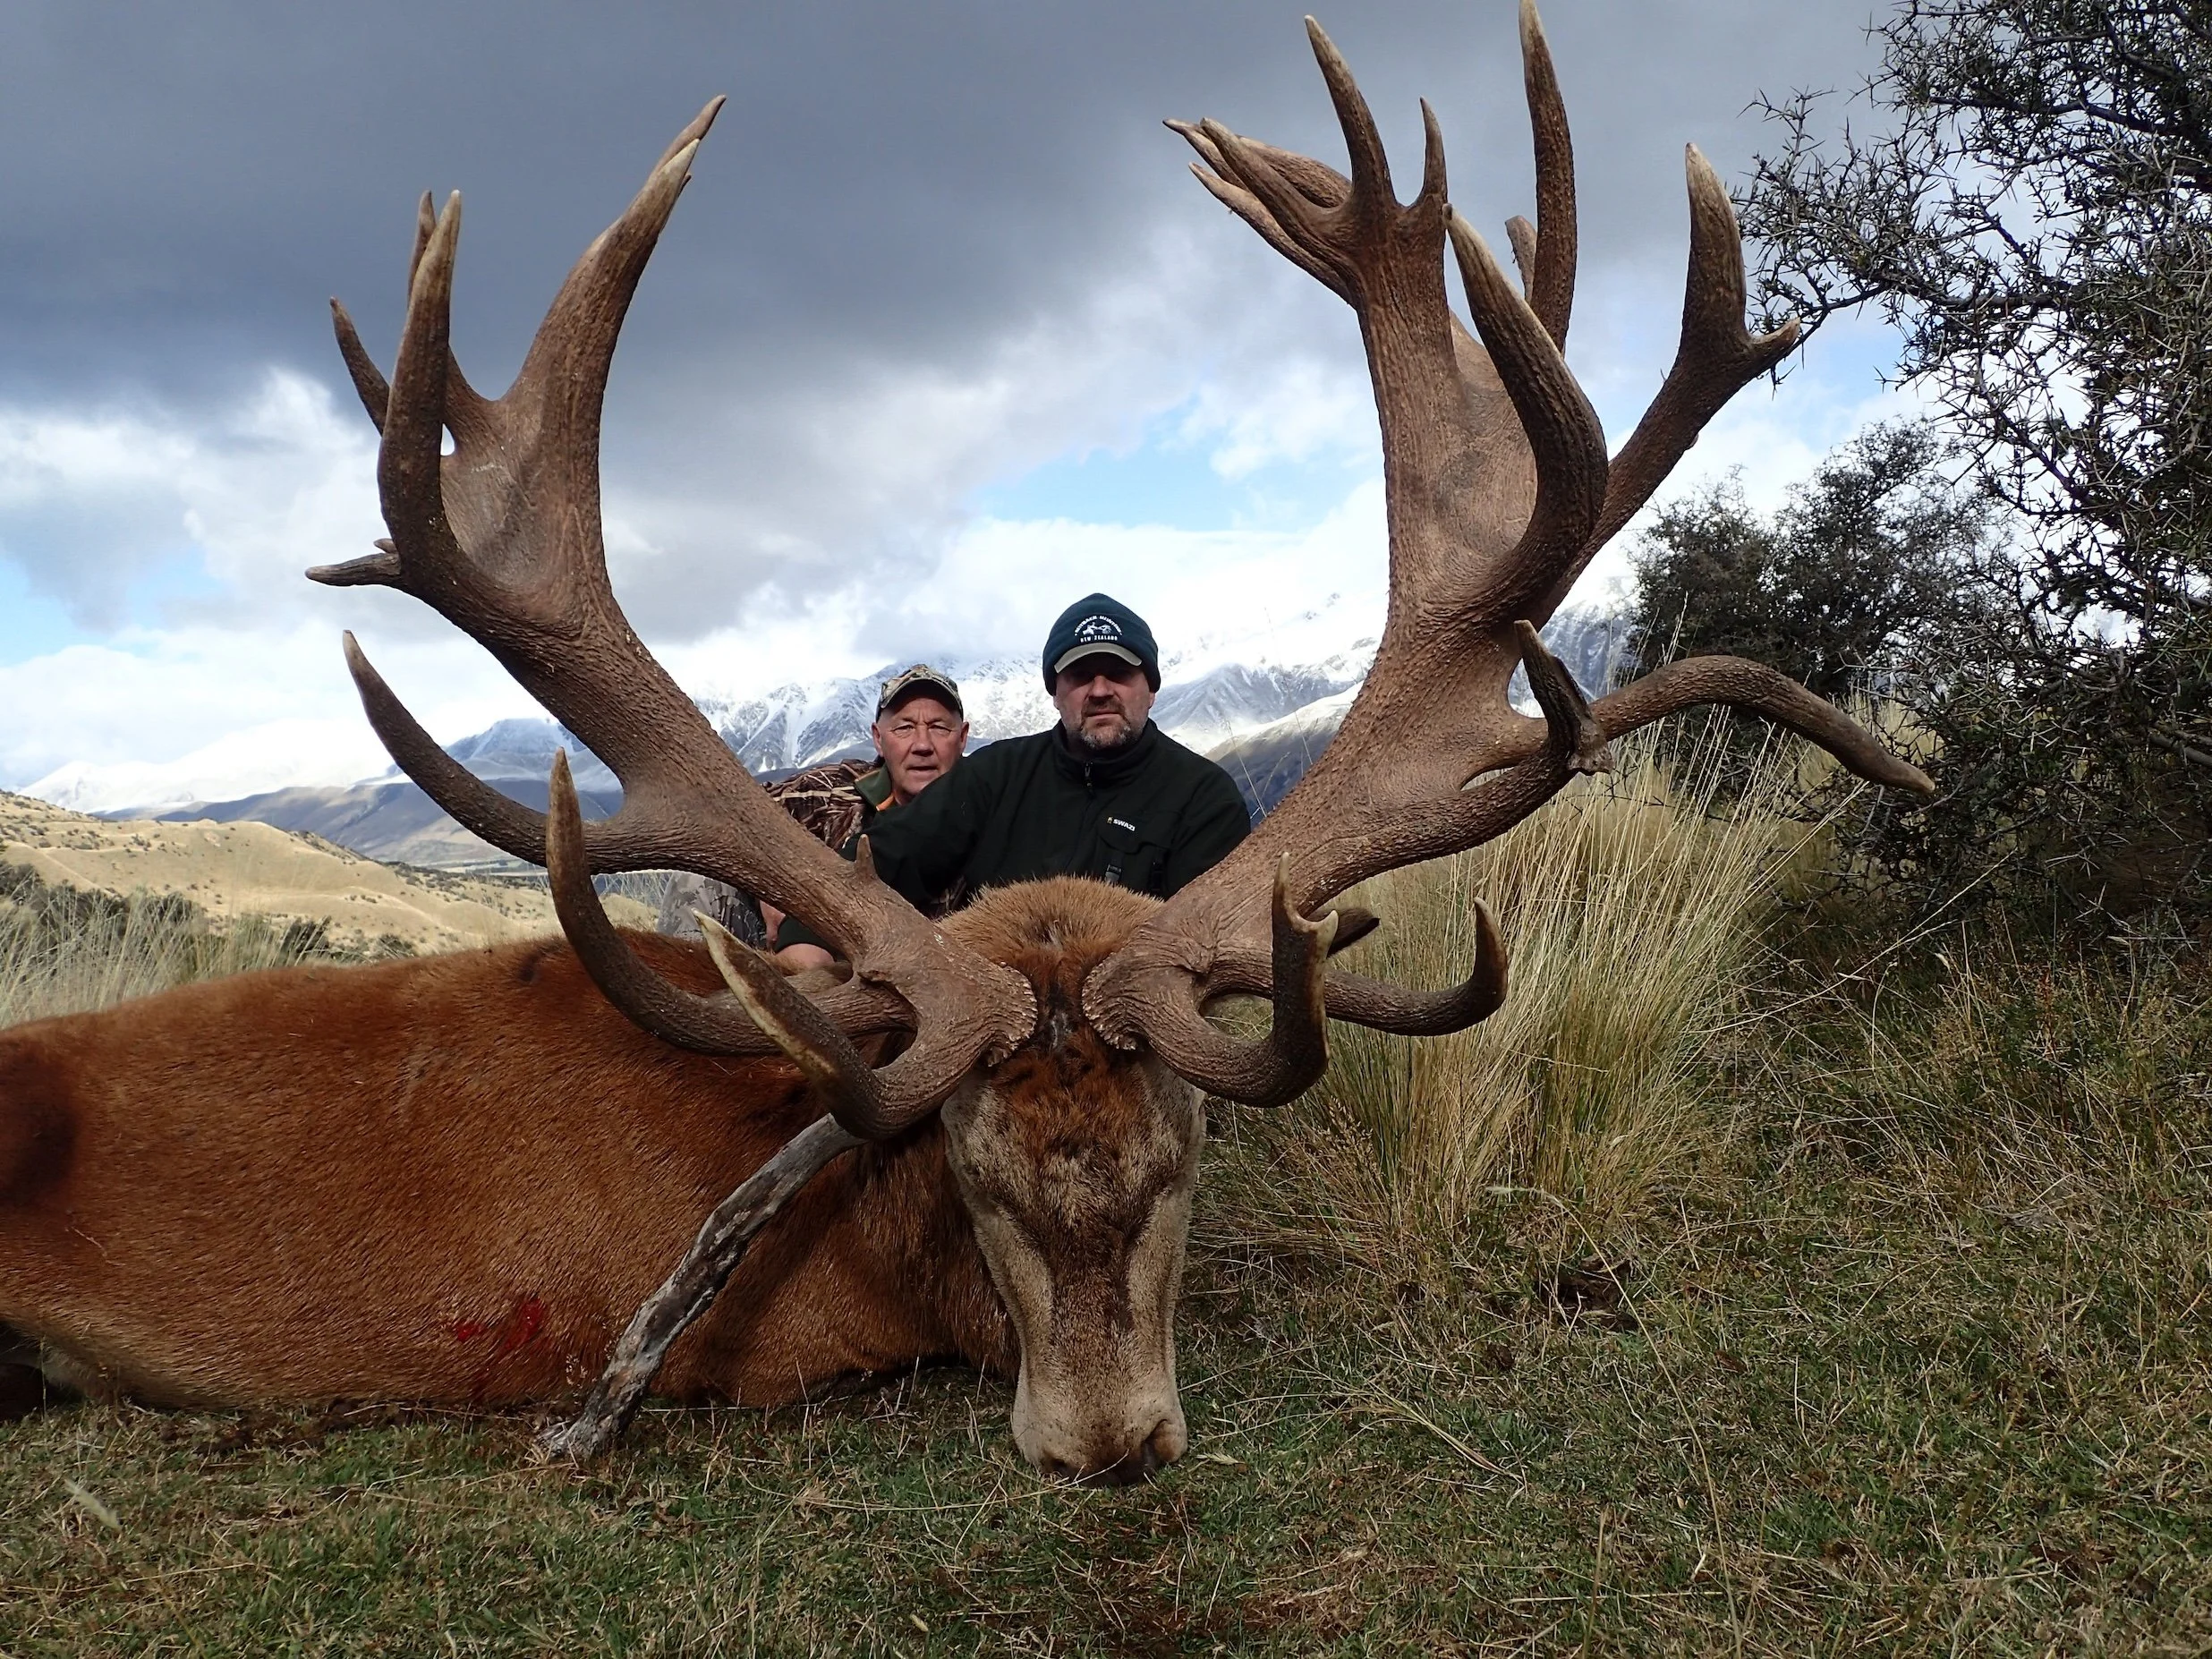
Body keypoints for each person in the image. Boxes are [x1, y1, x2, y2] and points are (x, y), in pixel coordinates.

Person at [775, 594, 1250, 967]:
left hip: (1129, 1036)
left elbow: (1207, 948)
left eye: (1121, 673)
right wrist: (808, 941)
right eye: (1080, 675)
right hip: (992, 1024)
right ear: (1055, 690)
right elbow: (891, 856)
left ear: (1151, 686)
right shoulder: (994, 775)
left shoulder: (1204, 798)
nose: (1100, 690)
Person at [656, 664, 968, 944]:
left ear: (963, 737)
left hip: (939, 978)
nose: (923, 745)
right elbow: (728, 814)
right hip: (809, 964)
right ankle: (685, 1000)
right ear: (878, 739)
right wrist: (769, 883)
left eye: (940, 727)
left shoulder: (997, 812)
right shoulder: (827, 793)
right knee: (700, 881)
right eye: (904, 728)